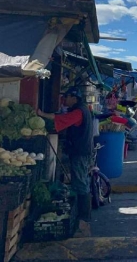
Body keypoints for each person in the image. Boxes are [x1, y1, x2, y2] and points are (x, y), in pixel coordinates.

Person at [37, 87, 94, 238]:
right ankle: (82, 221)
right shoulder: (82, 109)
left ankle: (84, 223)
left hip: (80, 153)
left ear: (74, 98)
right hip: (83, 152)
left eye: (66, 97)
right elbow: (62, 116)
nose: (64, 100)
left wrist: (41, 114)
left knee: (81, 186)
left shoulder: (78, 112)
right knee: (81, 184)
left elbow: (61, 120)